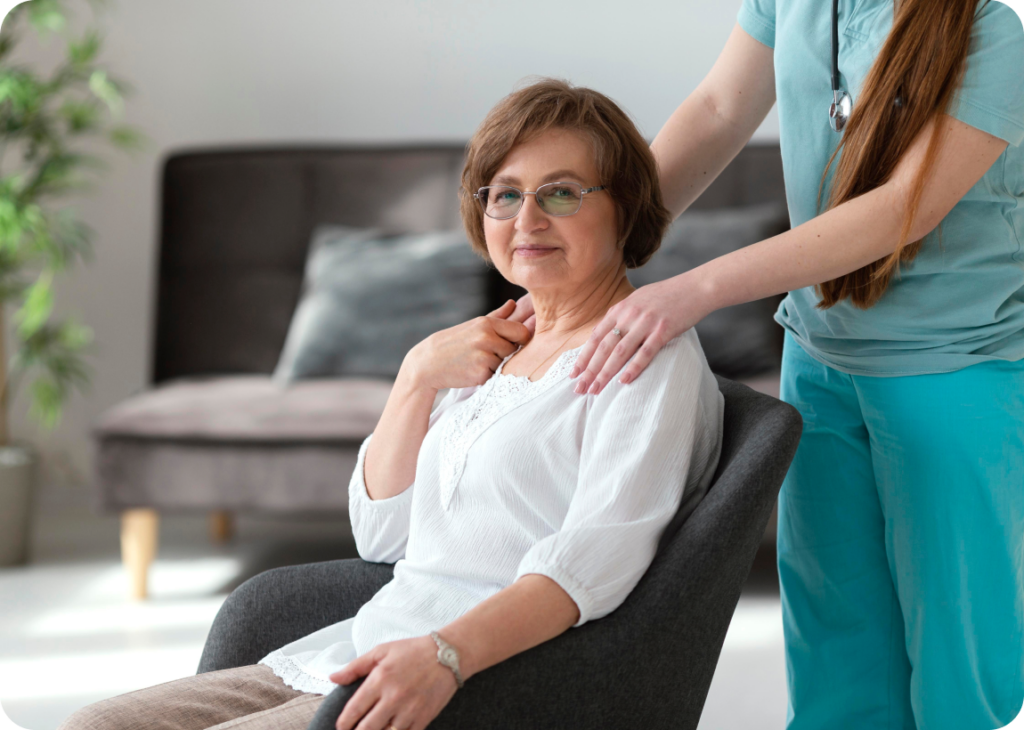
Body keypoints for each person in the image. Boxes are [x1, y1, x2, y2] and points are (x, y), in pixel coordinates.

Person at [58, 79, 725, 730]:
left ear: (628, 206)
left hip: (480, 681)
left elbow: (590, 566)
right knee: (95, 723)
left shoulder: (645, 359)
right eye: (505, 195)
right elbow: (383, 538)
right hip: (356, 650)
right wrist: (415, 379)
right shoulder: (495, 344)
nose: (527, 219)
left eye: (561, 193)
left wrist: (444, 655)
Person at [507, 1, 1023, 727]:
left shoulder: (995, 20)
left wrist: (697, 287)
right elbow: (719, 109)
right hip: (819, 360)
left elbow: (901, 206)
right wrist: (592, 258)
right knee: (834, 649)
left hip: (954, 370)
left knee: (960, 666)